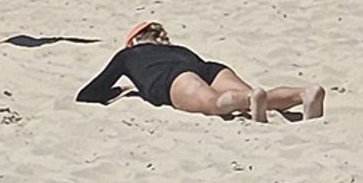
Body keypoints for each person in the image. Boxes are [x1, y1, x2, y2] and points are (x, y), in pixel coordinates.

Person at [76, 20, 324, 121]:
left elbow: (88, 94)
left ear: (132, 42)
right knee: (263, 97)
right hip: (208, 68)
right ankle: (303, 93)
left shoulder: (128, 55)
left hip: (173, 79)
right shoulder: (178, 49)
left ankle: (250, 98)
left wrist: (122, 89)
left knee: (214, 103)